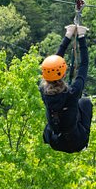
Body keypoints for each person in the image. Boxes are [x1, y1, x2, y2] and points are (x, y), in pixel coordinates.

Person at [39, 22, 91, 153]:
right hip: (76, 141)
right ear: (63, 72)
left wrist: (68, 36)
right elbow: (84, 64)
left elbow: (53, 64)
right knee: (84, 102)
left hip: (54, 140)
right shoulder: (73, 92)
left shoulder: (43, 91)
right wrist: (81, 36)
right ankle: (85, 144)